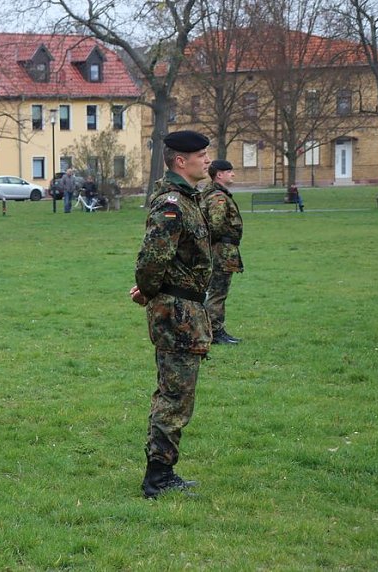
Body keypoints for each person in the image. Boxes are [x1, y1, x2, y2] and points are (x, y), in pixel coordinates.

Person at [129, 130, 213, 499]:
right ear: (181, 161)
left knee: (177, 394)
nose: (207, 160)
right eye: (201, 155)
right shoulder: (172, 204)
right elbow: (152, 258)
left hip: (185, 309)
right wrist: (148, 290)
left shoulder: (188, 199)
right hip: (176, 314)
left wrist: (150, 288)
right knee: (175, 397)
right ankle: (158, 478)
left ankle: (162, 472)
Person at [201, 160, 243, 345]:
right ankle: (215, 332)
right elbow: (215, 226)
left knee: (216, 291)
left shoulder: (216, 195)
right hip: (221, 252)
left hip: (222, 251)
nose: (232, 174)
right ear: (219, 174)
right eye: (229, 171)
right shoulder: (218, 197)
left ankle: (212, 329)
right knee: (218, 292)